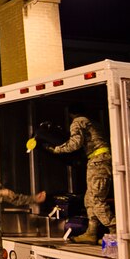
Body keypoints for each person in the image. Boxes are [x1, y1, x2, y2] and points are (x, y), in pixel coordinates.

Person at [45, 102, 114, 244]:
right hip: (99, 161)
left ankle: (115, 231)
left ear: (71, 114)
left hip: (98, 162)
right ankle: (92, 232)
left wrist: (56, 149)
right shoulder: (93, 123)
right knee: (89, 199)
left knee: (96, 200)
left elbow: (75, 143)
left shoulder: (78, 121)